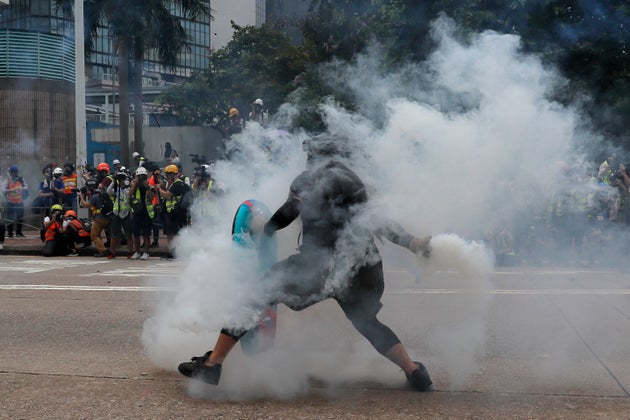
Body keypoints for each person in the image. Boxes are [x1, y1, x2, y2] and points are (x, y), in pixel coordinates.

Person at [177, 134, 434, 391]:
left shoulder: (307, 180)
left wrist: (265, 230)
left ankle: (212, 364)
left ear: (314, 155)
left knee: (256, 294)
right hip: (363, 268)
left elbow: (286, 214)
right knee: (366, 322)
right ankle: (413, 371)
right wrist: (412, 243)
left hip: (318, 266)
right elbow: (376, 221)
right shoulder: (354, 182)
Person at [156, 164, 191, 259]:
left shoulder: (176, 184)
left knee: (171, 234)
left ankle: (173, 253)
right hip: (178, 212)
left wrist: (159, 188)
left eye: (168, 174)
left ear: (172, 174)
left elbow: (167, 195)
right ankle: (178, 252)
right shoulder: (180, 184)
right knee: (178, 233)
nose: (167, 177)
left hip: (173, 213)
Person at [129, 166, 156, 260]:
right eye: (139, 176)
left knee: (146, 234)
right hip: (136, 213)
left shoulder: (150, 186)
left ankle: (146, 252)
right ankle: (137, 252)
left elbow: (152, 197)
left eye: (142, 176)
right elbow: (129, 196)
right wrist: (135, 184)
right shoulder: (134, 186)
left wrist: (147, 186)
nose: (141, 179)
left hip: (147, 213)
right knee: (136, 234)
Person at [107, 166, 134, 259]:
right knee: (114, 234)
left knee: (129, 234)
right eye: (120, 178)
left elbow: (130, 194)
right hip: (116, 213)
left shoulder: (128, 187)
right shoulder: (116, 187)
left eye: (123, 177)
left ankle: (130, 252)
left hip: (126, 213)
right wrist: (114, 180)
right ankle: (112, 252)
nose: (121, 180)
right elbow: (108, 191)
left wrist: (127, 184)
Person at [79, 183, 112, 257]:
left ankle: (103, 251)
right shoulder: (106, 195)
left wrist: (81, 196)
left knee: (93, 235)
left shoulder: (94, 197)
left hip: (99, 219)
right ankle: (106, 250)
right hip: (108, 218)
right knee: (100, 234)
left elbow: (85, 204)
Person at [3, 165, 29, 238]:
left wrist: (21, 188)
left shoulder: (21, 179)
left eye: (16, 172)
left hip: (19, 202)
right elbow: (3, 189)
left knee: (20, 218)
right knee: (9, 219)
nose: (15, 173)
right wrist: (10, 190)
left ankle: (19, 232)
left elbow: (26, 187)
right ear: (10, 173)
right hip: (10, 203)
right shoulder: (7, 180)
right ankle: (10, 233)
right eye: (13, 172)